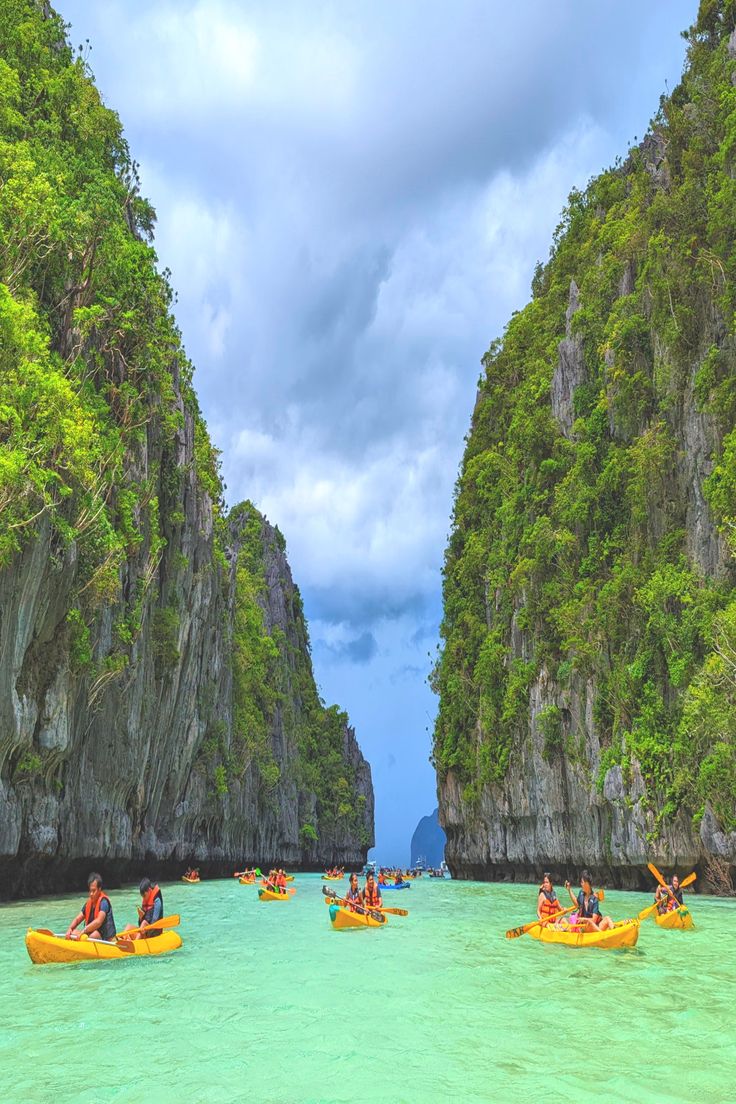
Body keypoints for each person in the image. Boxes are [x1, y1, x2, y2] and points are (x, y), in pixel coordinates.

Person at [65, 872, 117, 942]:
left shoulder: (104, 902)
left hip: (106, 939)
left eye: (93, 891)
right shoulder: (88, 903)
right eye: (90, 891)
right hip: (90, 935)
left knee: (94, 935)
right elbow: (77, 919)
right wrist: (70, 929)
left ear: (99, 889)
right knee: (73, 933)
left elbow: (98, 922)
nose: (91, 894)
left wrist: (84, 931)